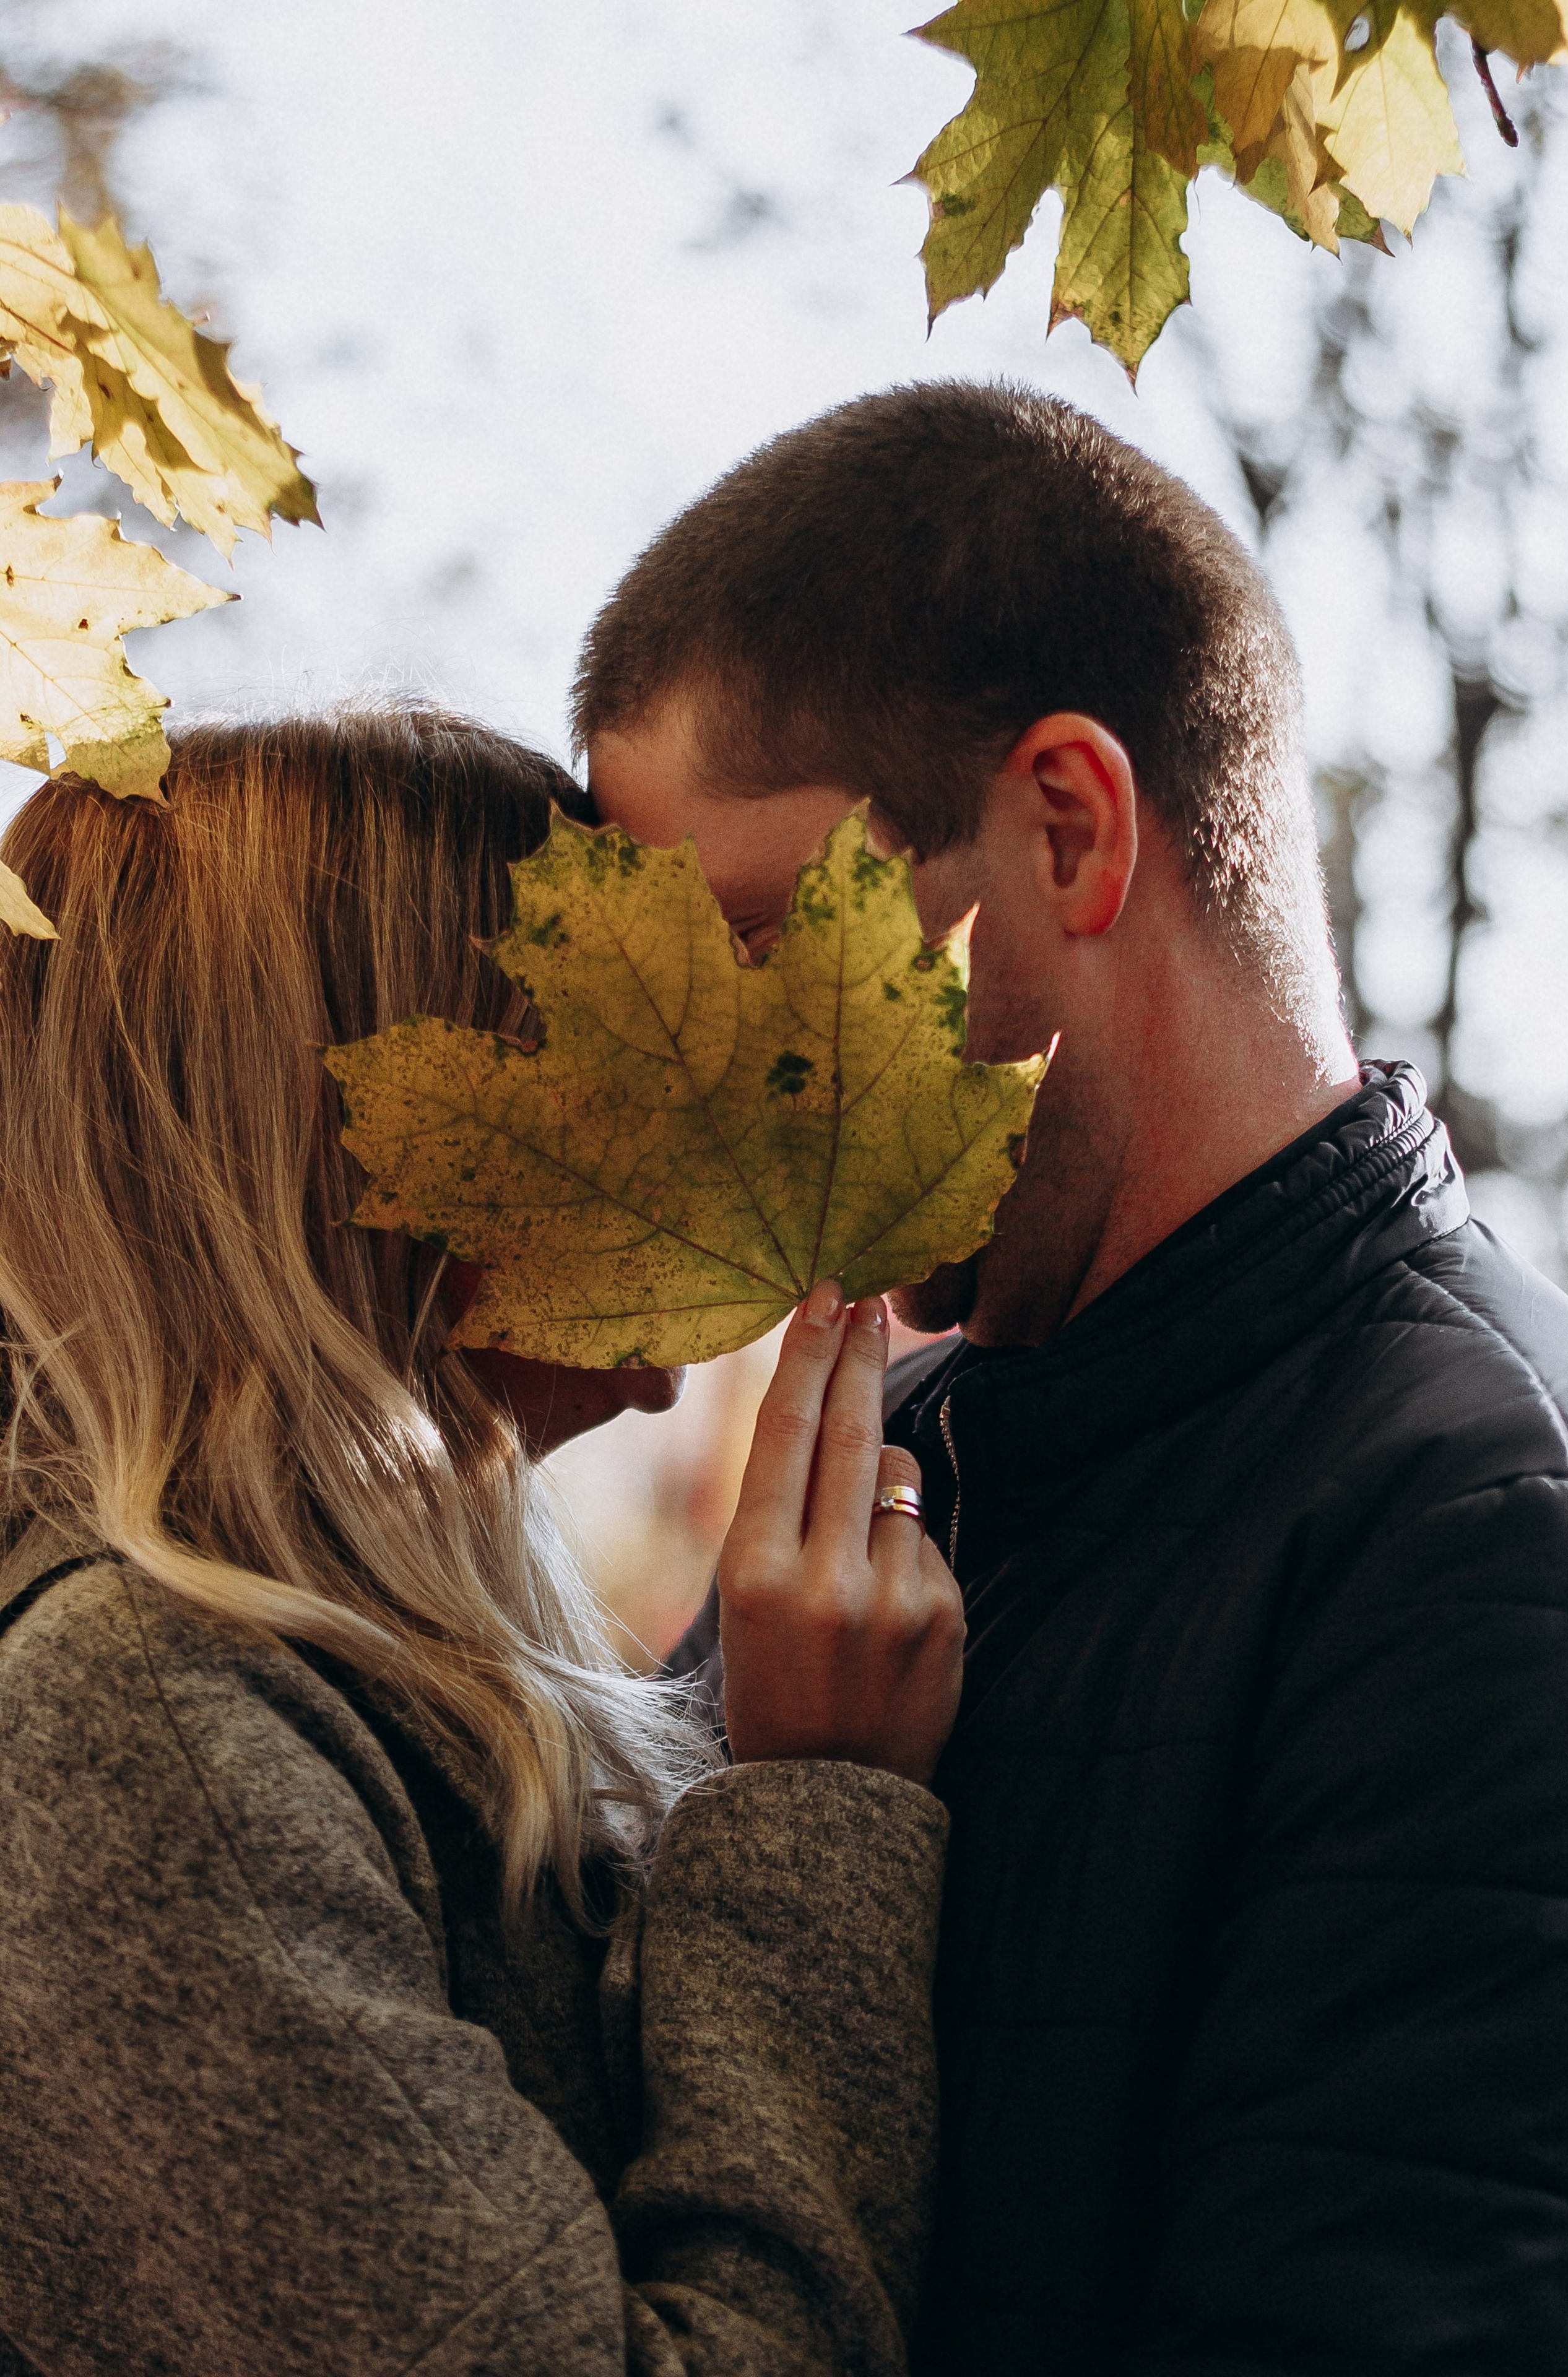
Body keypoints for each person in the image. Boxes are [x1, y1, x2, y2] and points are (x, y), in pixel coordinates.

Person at [578, 383, 1568, 2374]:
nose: (726, 1093)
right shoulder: (896, 1483)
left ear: (1069, 827)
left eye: (769, 951)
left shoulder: (1495, 1535)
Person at [0, 708, 965, 2377]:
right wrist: (814, 1815)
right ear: (359, 1144)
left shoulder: (312, 1674)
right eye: (629, 1071)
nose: (722, 1142)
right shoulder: (135, 1726)